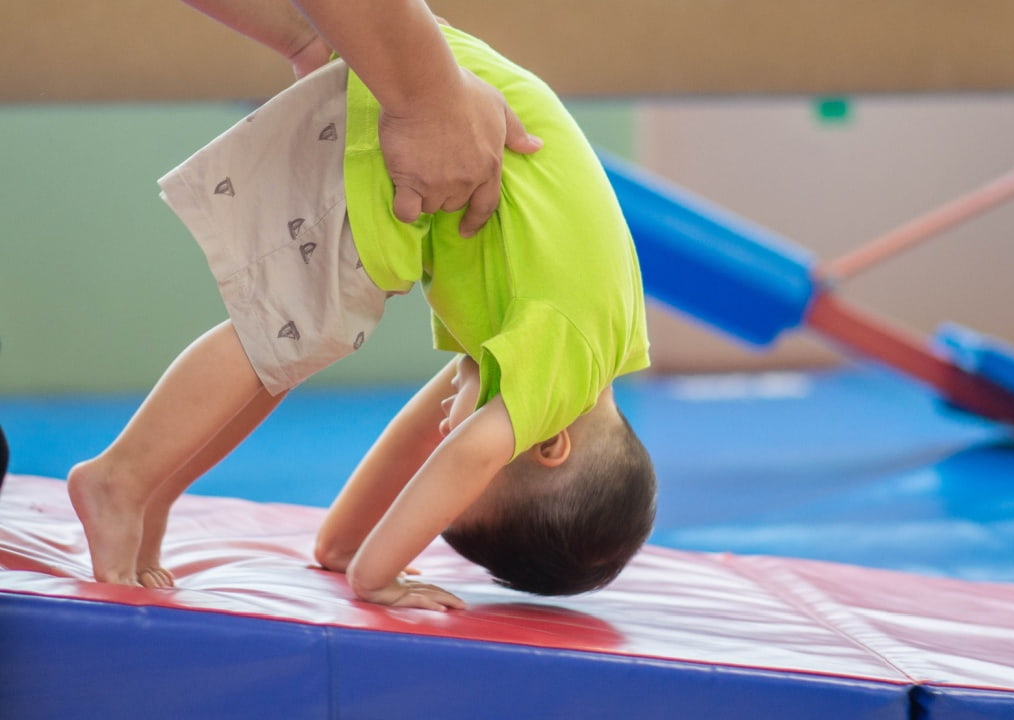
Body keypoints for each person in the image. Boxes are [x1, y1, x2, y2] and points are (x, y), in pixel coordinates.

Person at [67, 3, 655, 610]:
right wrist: (376, 577)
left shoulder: (578, 343)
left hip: (448, 76)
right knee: (289, 327)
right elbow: (463, 456)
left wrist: (348, 544)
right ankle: (120, 479)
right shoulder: (562, 365)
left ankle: (156, 485)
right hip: (441, 110)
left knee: (295, 337)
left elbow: (421, 438)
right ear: (551, 444)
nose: (450, 431)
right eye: (470, 460)